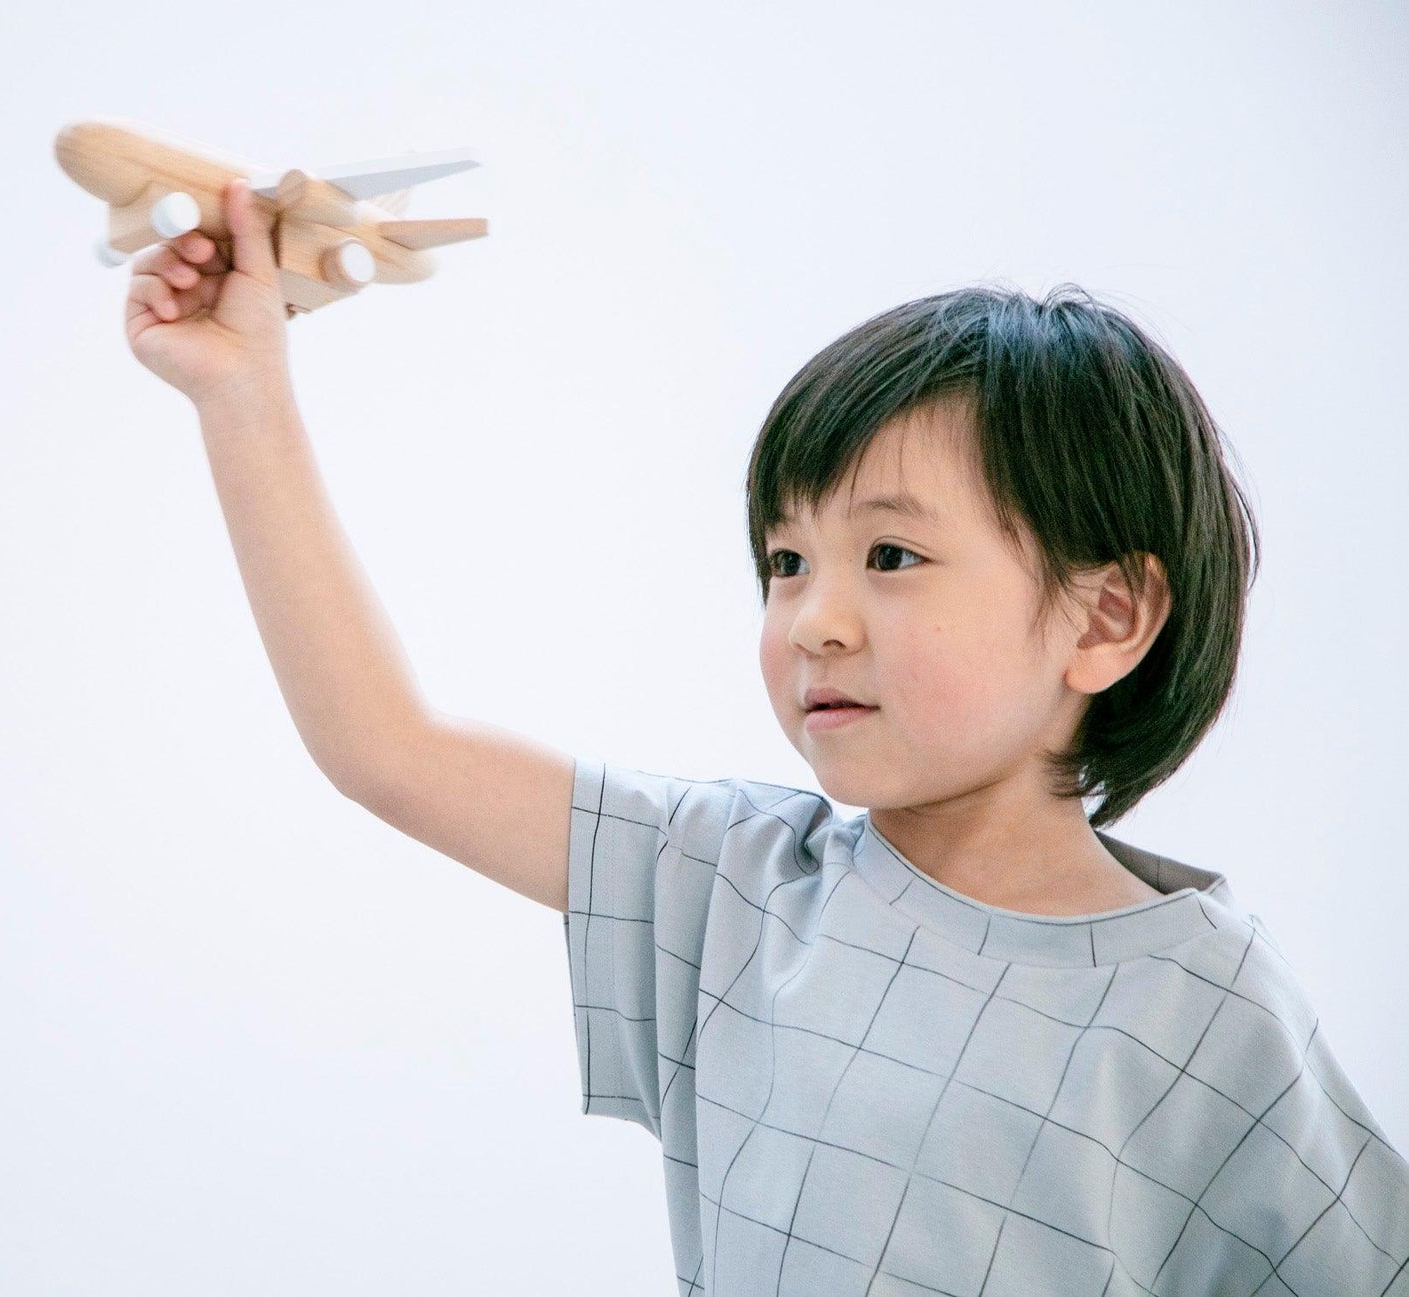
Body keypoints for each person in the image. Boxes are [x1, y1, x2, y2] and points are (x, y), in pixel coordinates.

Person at [121, 177, 1409, 1295]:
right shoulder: (733, 883)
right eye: (785, 561)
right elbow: (382, 746)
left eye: (890, 554)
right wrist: (244, 395)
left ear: (1107, 618)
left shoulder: (1201, 1004)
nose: (814, 620)